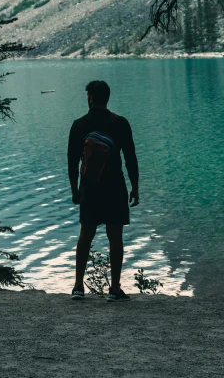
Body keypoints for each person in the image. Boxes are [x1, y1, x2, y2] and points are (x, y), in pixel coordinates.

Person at [68, 80, 139, 301]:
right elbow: (130, 157)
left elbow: (71, 161)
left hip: (89, 187)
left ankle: (78, 287)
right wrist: (135, 186)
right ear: (107, 97)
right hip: (115, 187)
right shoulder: (120, 123)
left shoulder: (79, 124)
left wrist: (75, 190)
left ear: (90, 97)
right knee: (115, 237)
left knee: (85, 235)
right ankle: (114, 289)